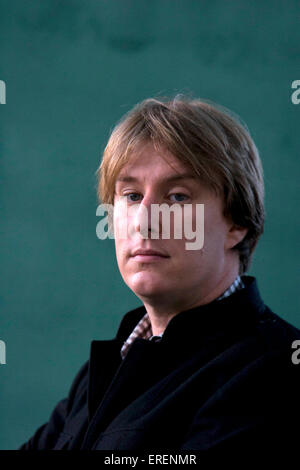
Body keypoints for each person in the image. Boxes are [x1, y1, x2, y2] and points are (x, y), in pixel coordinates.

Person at [19, 96, 299, 454]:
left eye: (179, 197)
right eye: (132, 195)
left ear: (238, 223)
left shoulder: (273, 371)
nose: (144, 220)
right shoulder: (100, 372)